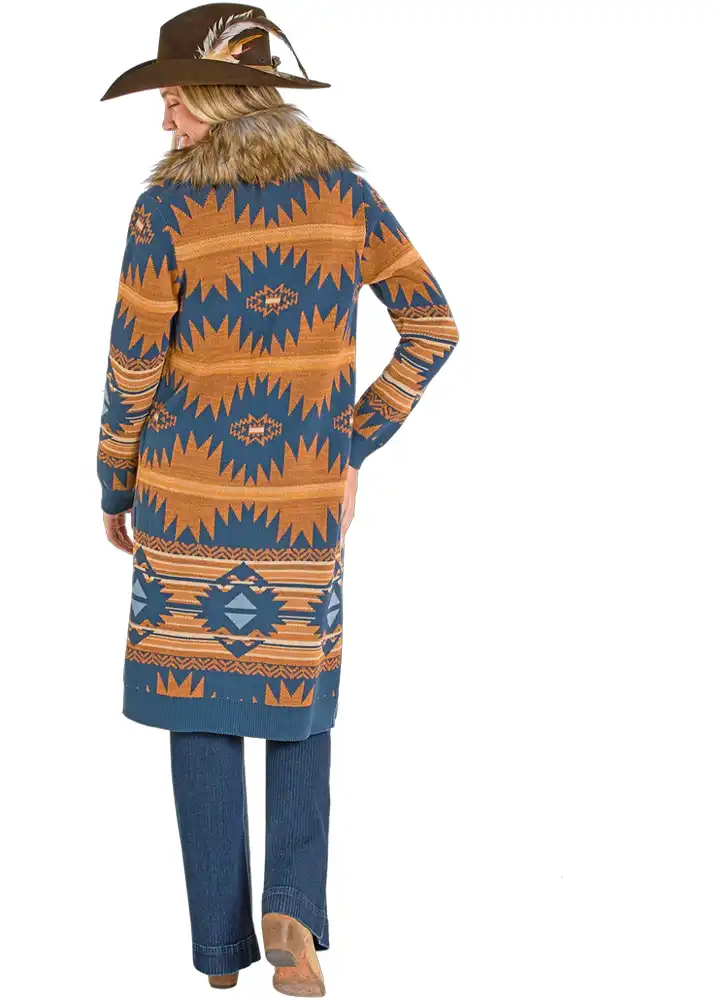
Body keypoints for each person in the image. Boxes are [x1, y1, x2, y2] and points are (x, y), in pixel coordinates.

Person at [96, 4, 460, 994]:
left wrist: (114, 483)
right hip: (302, 502)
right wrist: (350, 443)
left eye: (174, 101)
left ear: (216, 100)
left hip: (185, 501)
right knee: (302, 704)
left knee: (198, 709)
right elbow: (432, 327)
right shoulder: (346, 196)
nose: (164, 122)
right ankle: (292, 909)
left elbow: (134, 368)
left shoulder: (167, 212)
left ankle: (220, 952)